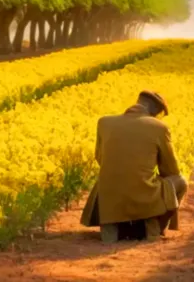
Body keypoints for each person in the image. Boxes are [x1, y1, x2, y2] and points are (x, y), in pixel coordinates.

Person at [80, 90, 187, 243]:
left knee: (107, 181)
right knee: (180, 181)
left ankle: (112, 227)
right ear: (155, 111)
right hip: (145, 197)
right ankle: (156, 227)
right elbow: (171, 170)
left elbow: (100, 158)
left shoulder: (104, 123)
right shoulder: (159, 127)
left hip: (109, 196)